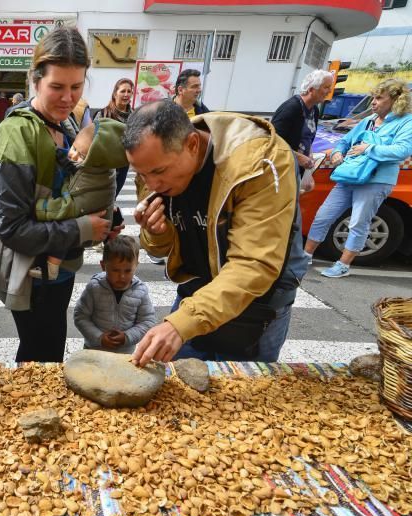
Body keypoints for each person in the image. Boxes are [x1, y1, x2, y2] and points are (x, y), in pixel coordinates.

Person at [128, 100, 307, 364]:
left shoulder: (258, 162)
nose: (152, 184)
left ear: (192, 144)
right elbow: (158, 248)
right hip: (197, 292)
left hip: (255, 304)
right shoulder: (154, 159)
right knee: (174, 387)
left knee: (241, 394)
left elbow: (253, 266)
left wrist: (180, 324)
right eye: (142, 175)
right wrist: (156, 232)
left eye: (159, 172)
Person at [0, 26, 112, 363]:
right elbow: (12, 229)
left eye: (76, 86)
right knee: (40, 355)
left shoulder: (66, 124)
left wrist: (102, 222)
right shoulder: (18, 134)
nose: (68, 98)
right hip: (29, 272)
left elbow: (76, 191)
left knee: (49, 347)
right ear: (35, 80)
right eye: (56, 86)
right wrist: (83, 229)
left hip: (61, 267)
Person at [305, 79, 412, 278]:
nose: (373, 102)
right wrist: (337, 152)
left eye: (379, 98)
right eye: (373, 97)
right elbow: (345, 141)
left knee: (358, 223)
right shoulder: (369, 119)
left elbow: (403, 150)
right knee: (323, 216)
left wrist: (368, 148)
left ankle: (343, 265)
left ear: (396, 100)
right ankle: (306, 255)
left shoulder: (406, 121)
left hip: (377, 179)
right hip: (349, 175)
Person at [30, 119, 126, 280]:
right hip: (89, 222)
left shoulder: (92, 179)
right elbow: (68, 160)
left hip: (88, 228)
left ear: (96, 160)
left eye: (80, 154)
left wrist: (37, 208)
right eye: (73, 147)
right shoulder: (93, 168)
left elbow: (66, 208)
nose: (72, 154)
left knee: (63, 225)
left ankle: (51, 268)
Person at [74, 235, 156, 354]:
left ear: (136, 266)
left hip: (124, 355)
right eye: (115, 270)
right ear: (103, 266)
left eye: (128, 271)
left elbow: (147, 321)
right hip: (94, 352)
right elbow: (80, 316)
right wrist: (99, 337)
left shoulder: (140, 291)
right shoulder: (94, 287)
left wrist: (127, 337)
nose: (121, 276)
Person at [272, 69, 334, 192]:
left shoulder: (314, 110)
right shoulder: (291, 108)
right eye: (326, 87)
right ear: (311, 89)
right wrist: (299, 157)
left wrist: (308, 173)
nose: (330, 91)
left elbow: (308, 140)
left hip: (296, 171)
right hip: (280, 172)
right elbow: (272, 142)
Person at [94, 78, 134, 196]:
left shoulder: (135, 116)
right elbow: (93, 139)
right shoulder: (103, 114)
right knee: (100, 196)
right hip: (104, 165)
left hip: (123, 164)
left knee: (114, 195)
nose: (126, 94)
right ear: (115, 93)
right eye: (122, 91)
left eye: (129, 91)